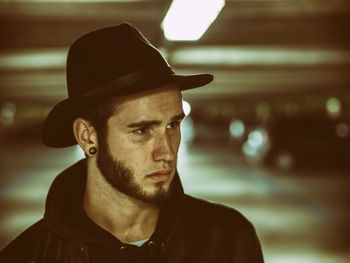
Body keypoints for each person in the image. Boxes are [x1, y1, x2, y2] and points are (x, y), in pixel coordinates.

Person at [0, 22, 264, 263]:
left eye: (172, 125)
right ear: (87, 136)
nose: (168, 153)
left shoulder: (231, 240)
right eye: (142, 130)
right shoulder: (28, 256)